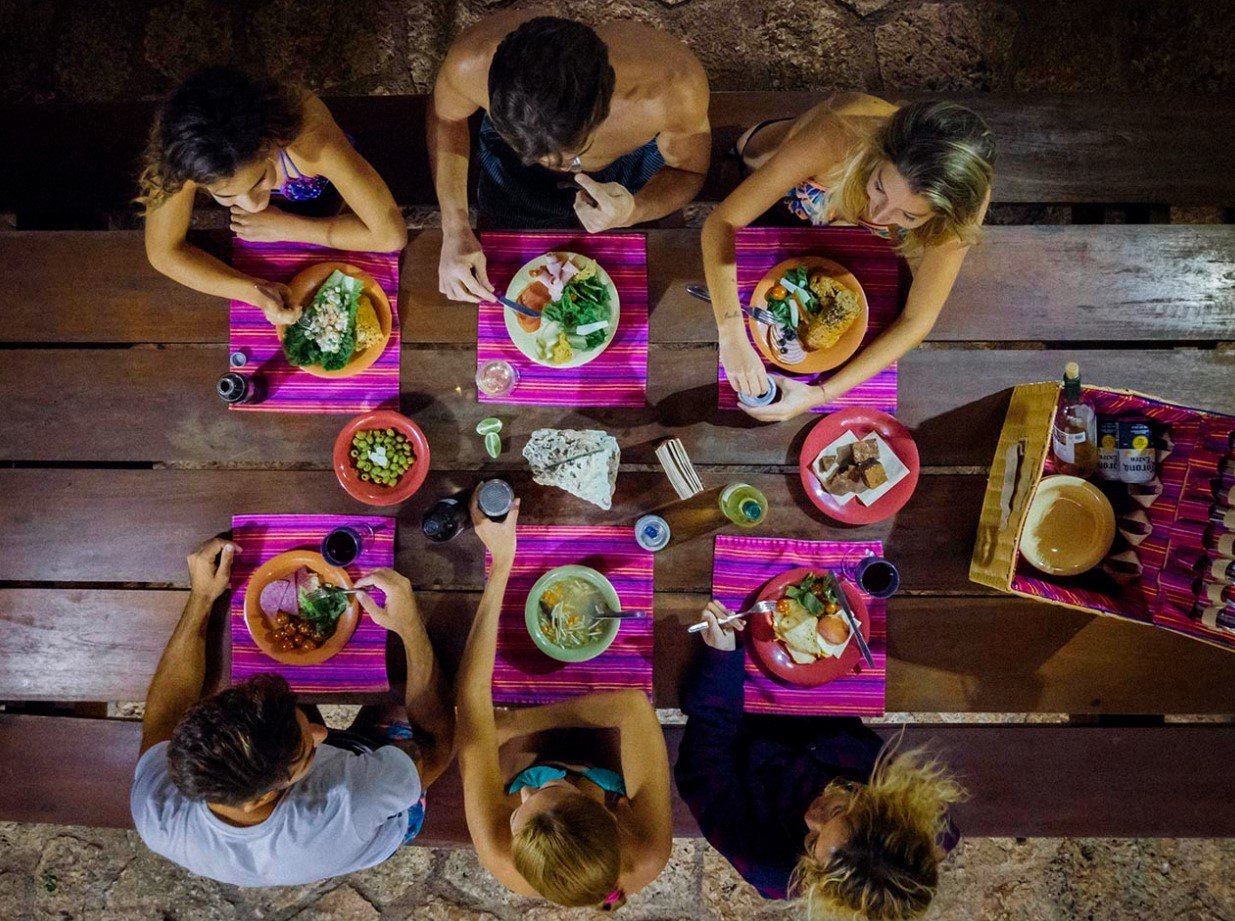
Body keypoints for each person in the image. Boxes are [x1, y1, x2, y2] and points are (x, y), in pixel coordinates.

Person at [130, 537, 454, 887]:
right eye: (306, 751)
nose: (322, 732)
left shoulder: (155, 811)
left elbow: (165, 716)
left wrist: (202, 598)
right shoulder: (350, 802)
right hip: (381, 813)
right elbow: (437, 746)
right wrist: (410, 627)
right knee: (415, 689)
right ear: (264, 796)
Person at [703, 94, 995, 420]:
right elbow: (721, 223)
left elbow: (918, 319)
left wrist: (821, 394)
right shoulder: (839, 134)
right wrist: (731, 334)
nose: (879, 216)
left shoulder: (960, 200)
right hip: (772, 192)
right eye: (880, 187)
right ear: (878, 152)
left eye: (909, 216)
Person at [675, 602, 963, 920]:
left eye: (812, 842)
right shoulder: (913, 815)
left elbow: (702, 766)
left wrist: (721, 659)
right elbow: (941, 833)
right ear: (884, 801)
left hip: (736, 704)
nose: (812, 818)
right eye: (838, 810)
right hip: (817, 679)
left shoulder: (768, 866)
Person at [455, 491, 673, 909]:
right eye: (547, 791)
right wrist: (519, 723)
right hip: (598, 755)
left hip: (531, 753)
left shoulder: (500, 851)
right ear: (613, 816)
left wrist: (502, 565)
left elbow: (472, 698)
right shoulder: (647, 850)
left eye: (516, 813)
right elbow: (631, 707)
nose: (522, 793)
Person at [429, 12, 711, 302]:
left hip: (623, 173)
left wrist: (634, 210)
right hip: (513, 173)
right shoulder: (471, 63)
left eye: (574, 154)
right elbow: (447, 118)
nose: (562, 167)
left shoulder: (671, 88)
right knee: (502, 276)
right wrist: (454, 228)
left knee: (636, 287)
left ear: (603, 107)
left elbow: (689, 173)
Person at [139, 67, 407, 327]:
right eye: (227, 195)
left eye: (259, 180)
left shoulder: (312, 142)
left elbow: (390, 236)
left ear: (273, 142)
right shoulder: (186, 157)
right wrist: (255, 291)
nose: (253, 205)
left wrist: (287, 227)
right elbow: (163, 252)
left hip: (327, 200)